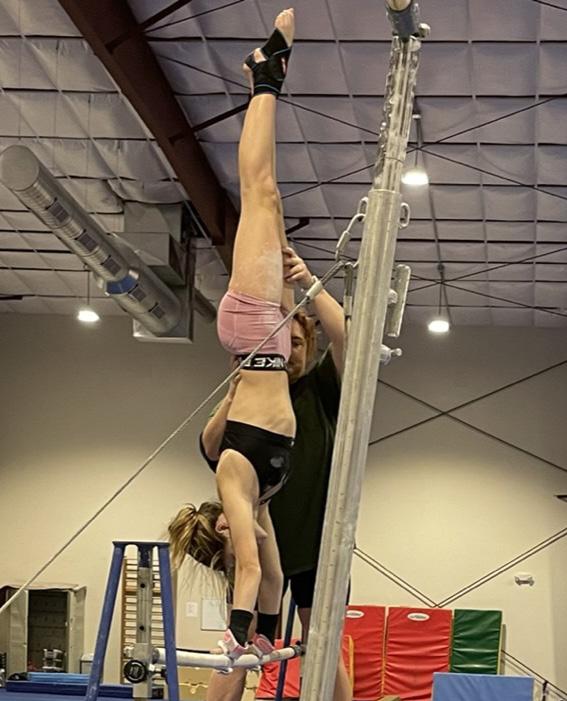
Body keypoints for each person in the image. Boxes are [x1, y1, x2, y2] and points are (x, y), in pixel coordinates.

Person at [169, 8, 298, 662]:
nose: (248, 533)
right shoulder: (259, 500)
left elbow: (247, 570)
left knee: (259, 191)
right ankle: (262, 81)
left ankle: (265, 78)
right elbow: (271, 575)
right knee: (270, 200)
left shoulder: (232, 480)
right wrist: (269, 640)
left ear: (223, 525)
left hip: (252, 329)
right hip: (270, 334)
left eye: (235, 531)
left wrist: (235, 638)